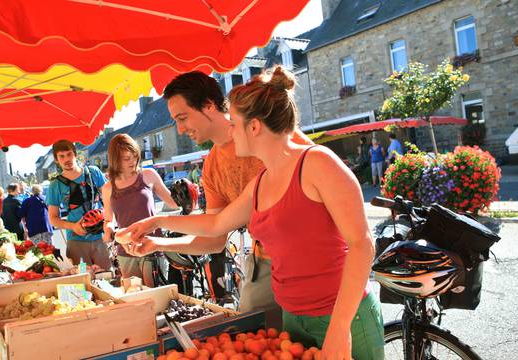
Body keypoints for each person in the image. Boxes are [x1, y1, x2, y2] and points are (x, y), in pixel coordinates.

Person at [121, 66, 383, 360]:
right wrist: (156, 224)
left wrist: (339, 328)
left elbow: (362, 244)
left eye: (235, 123)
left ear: (255, 127)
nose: (231, 131)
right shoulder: (260, 183)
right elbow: (217, 224)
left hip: (340, 317)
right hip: (294, 318)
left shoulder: (316, 163)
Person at [147, 70, 313, 316]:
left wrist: (157, 225)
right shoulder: (213, 165)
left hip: (310, 260)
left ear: (209, 105)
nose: (180, 129)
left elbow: (321, 184)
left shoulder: (273, 136)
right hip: (266, 262)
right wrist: (156, 242)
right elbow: (215, 235)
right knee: (252, 332)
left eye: (183, 117)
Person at [101, 134, 178, 287]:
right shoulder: (108, 188)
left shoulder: (148, 175)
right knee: (134, 296)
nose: (133, 161)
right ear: (115, 160)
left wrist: (186, 192)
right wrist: (109, 230)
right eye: (126, 158)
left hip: (153, 245)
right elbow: (108, 219)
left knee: (157, 295)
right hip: (126, 250)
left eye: (134, 156)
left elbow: (174, 203)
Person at [46, 140, 110, 269]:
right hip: (76, 241)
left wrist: (109, 222)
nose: (66, 159)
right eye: (61, 156)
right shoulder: (55, 185)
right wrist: (73, 226)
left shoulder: (94, 173)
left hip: (101, 237)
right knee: (83, 282)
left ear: (75, 154)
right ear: (56, 160)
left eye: (69, 154)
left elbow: (110, 199)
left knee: (107, 277)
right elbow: (53, 219)